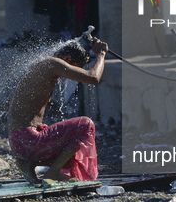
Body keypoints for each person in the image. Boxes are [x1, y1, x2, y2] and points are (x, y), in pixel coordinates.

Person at [7, 39, 108, 183]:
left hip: (18, 144)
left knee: (71, 146)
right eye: (72, 69)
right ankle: (53, 172)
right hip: (30, 141)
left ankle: (28, 163)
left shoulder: (37, 68)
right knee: (85, 125)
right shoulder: (53, 63)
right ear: (67, 59)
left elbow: (8, 104)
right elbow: (93, 77)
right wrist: (101, 54)